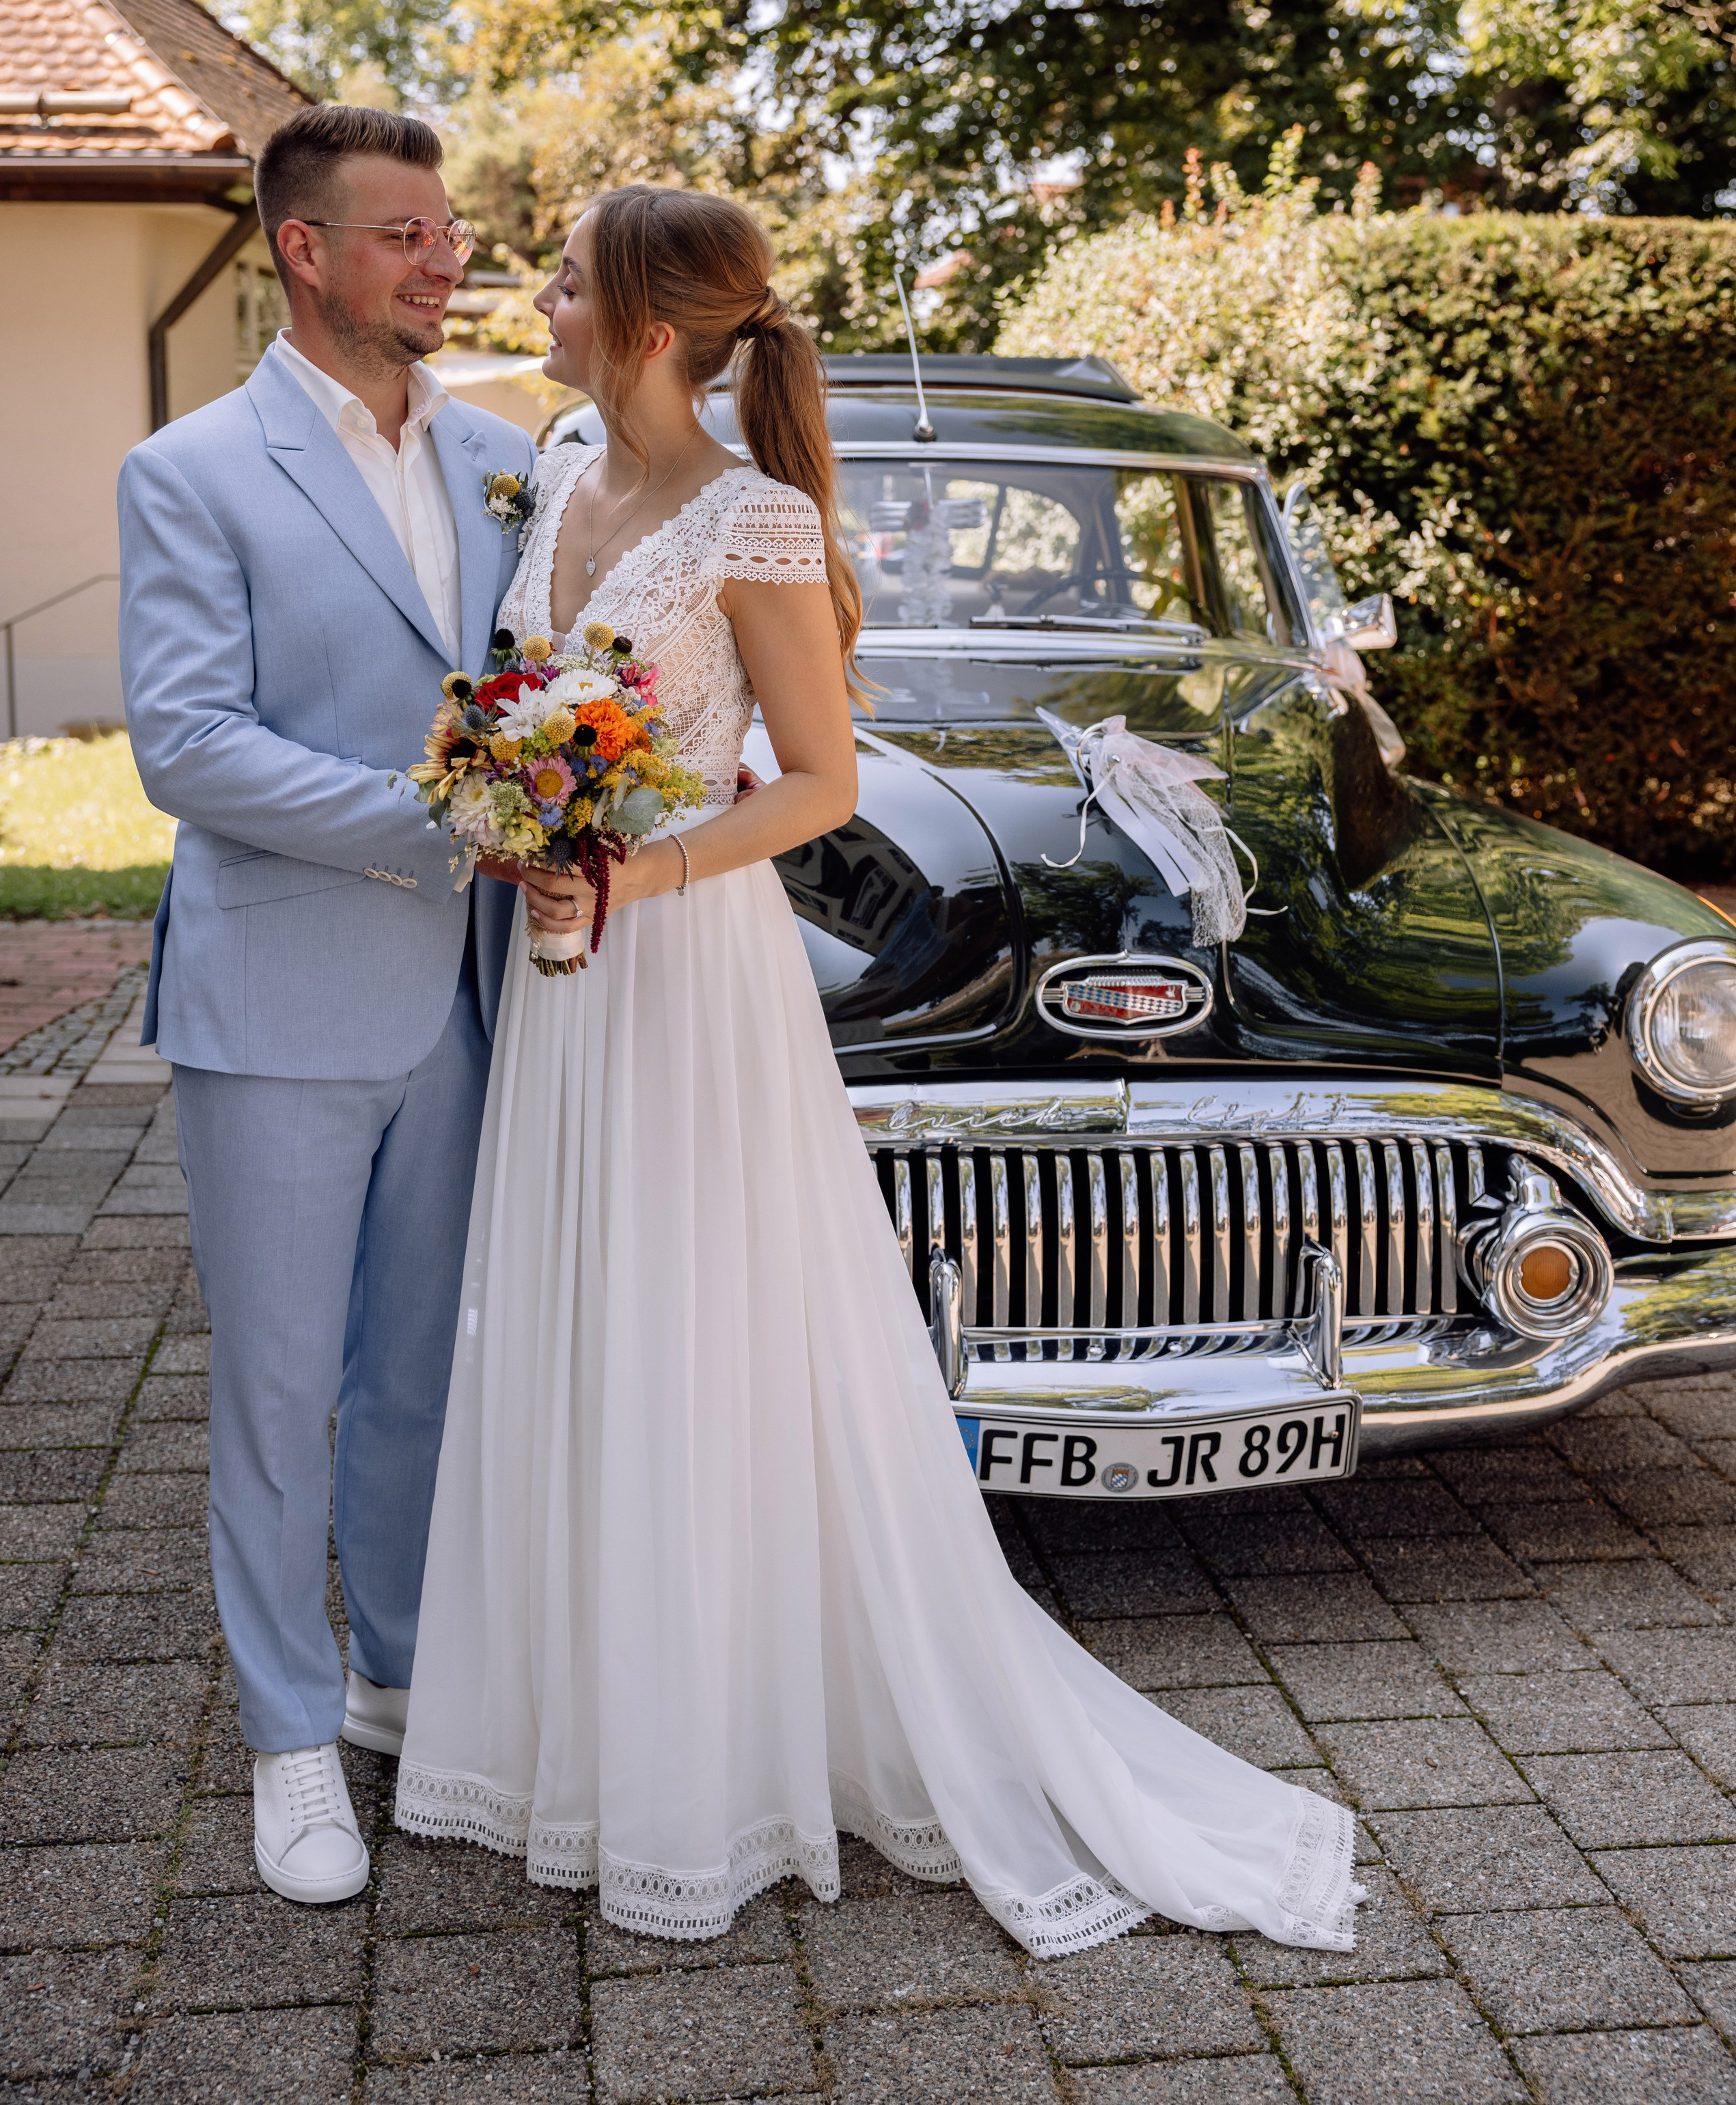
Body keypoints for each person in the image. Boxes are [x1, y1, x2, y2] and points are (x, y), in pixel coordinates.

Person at [394, 185, 1362, 1957]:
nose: (536, 299)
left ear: (651, 329)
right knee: (575, 1307)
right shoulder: (561, 467)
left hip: (685, 964)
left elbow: (820, 783)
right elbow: (527, 697)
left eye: (566, 280)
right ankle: (579, 1723)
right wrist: (509, 806)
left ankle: (709, 1755)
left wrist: (634, 871)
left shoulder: (754, 520)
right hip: (565, 973)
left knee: (693, 1323)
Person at [118, 105, 538, 1904]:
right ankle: (290, 1739)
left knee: (423, 1371)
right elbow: (188, 746)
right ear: (306, 251)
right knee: (282, 1393)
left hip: (476, 996)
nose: (446, 258)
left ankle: (402, 1679)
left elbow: (553, 682)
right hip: (282, 990)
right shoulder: (192, 472)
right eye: (407, 234)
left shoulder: (508, 459)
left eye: (448, 231)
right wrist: (445, 823)